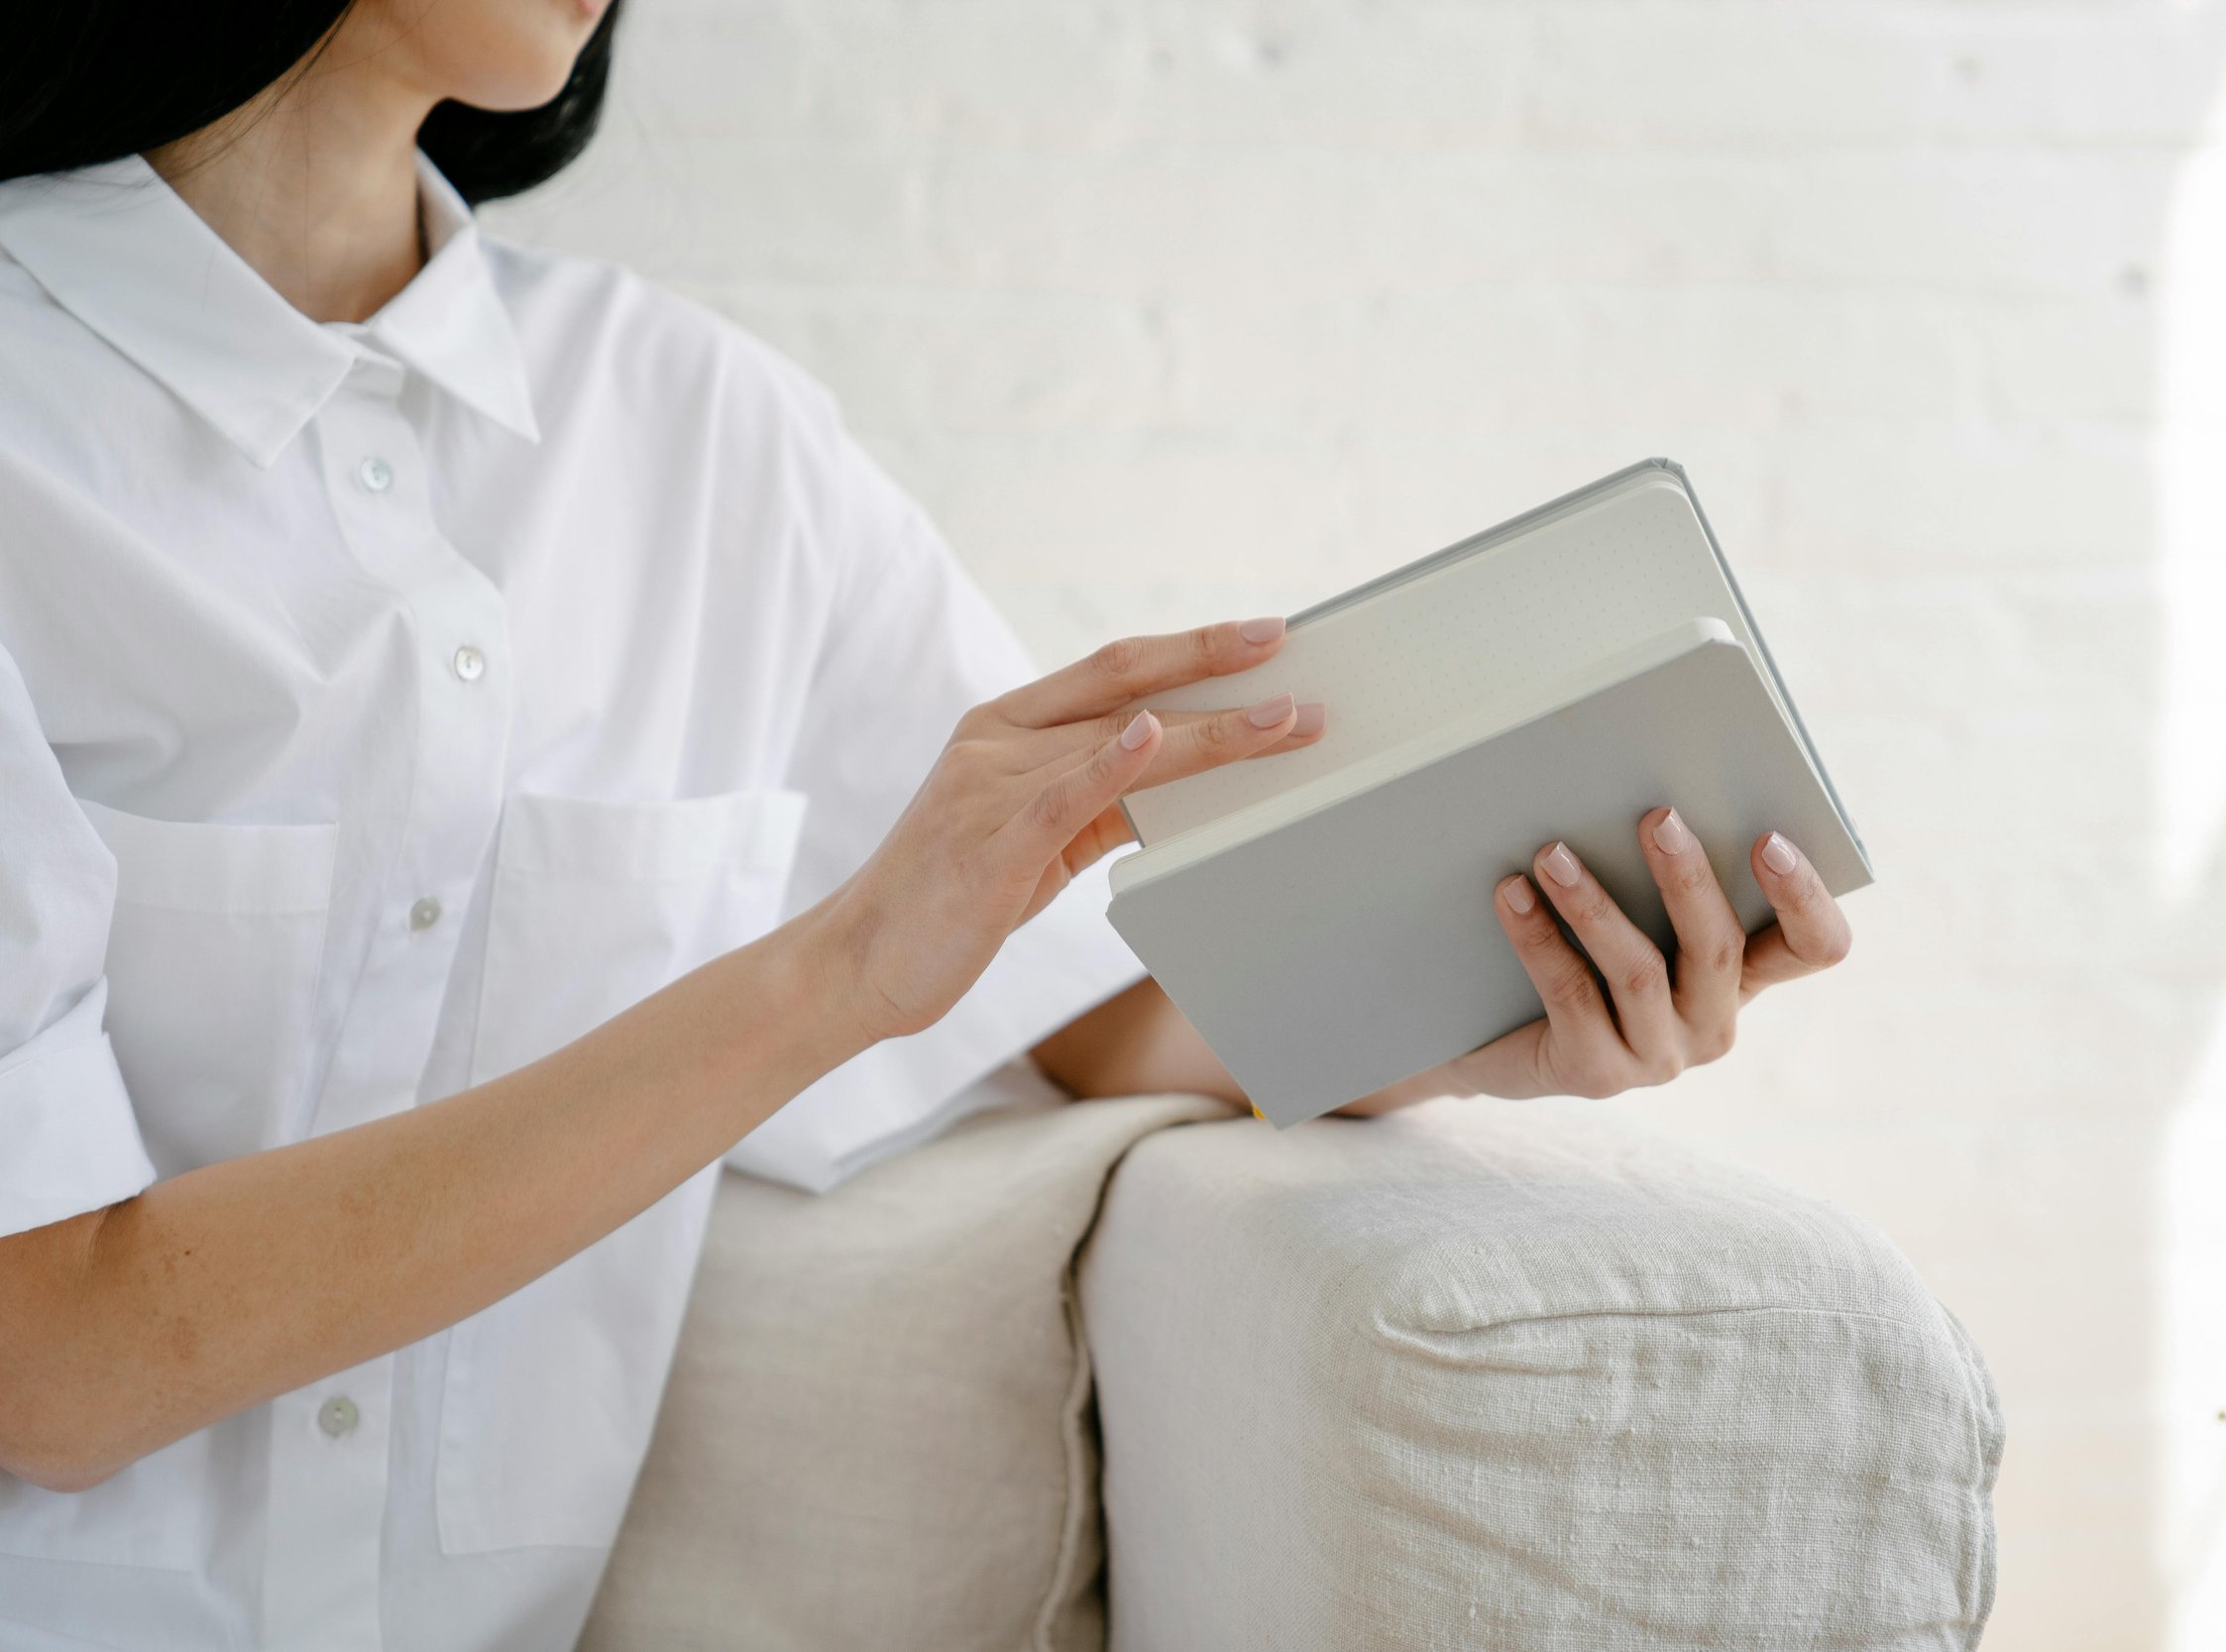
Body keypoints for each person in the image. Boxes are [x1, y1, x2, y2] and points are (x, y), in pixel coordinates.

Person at [0, 2, 1856, 1647]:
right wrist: (836, 972)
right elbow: (49, 1363)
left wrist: (1490, 1012)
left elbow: (1084, 997)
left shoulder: (703, 432)